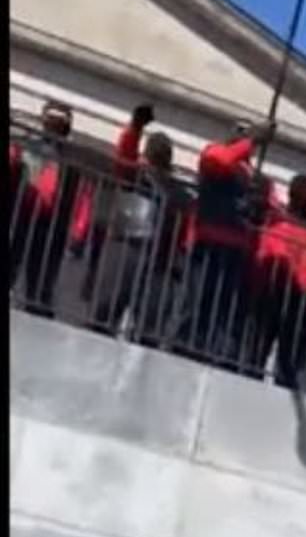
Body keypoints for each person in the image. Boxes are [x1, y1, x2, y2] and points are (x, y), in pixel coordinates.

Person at [173, 120, 274, 365]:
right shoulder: (214, 153)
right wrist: (251, 143)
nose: (242, 138)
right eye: (239, 133)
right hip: (209, 242)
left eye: (246, 134)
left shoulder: (254, 177)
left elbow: (269, 208)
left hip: (237, 250)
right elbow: (219, 163)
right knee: (196, 301)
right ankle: (181, 347)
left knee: (225, 310)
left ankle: (216, 355)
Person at [88, 132, 191, 339]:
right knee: (108, 313)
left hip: (151, 257)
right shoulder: (138, 177)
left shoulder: (174, 191)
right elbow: (125, 155)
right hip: (131, 248)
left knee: (144, 323)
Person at [76, 103, 157, 304]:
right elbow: (124, 159)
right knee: (99, 259)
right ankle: (91, 291)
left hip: (119, 212)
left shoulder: (134, 143)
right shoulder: (130, 143)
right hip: (115, 209)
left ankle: (92, 290)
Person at [251, 174, 306, 389]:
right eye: (303, 190)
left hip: (298, 297)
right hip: (273, 289)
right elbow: (265, 250)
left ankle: (281, 386)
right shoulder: (276, 220)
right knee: (259, 343)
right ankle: (252, 377)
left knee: (288, 354)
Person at [12, 101, 82, 315]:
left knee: (40, 286)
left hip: (49, 228)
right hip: (21, 218)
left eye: (59, 123)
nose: (54, 126)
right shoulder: (25, 145)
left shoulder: (71, 161)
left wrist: (74, 233)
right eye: (51, 121)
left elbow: (76, 201)